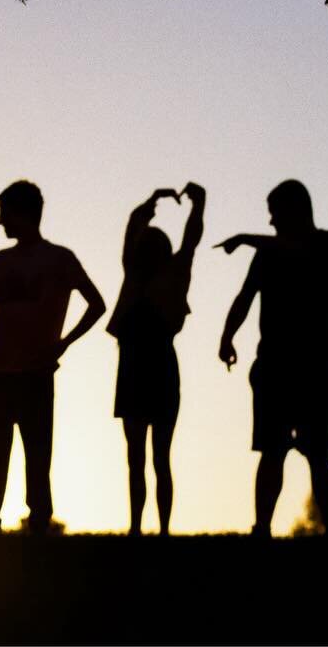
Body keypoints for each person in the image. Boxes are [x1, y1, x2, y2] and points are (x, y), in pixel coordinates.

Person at [0, 180, 106, 535]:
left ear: (24, 214)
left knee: (37, 454)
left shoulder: (60, 258)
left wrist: (63, 343)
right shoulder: (1, 260)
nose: (1, 222)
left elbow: (97, 304)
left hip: (35, 373)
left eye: (5, 215)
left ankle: (38, 523)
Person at [217, 180, 328, 537]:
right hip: (273, 365)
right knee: (272, 452)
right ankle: (263, 528)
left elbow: (300, 250)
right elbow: (245, 296)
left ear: (294, 210)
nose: (271, 221)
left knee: (319, 454)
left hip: (314, 366)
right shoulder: (268, 253)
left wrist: (245, 237)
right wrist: (228, 335)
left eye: (275, 212)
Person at [107, 182, 205, 536]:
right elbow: (137, 228)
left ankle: (152, 528)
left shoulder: (164, 275)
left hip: (147, 365)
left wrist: (192, 205)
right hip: (148, 365)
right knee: (151, 457)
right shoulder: (145, 275)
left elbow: (189, 239)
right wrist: (157, 203)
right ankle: (147, 528)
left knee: (149, 457)